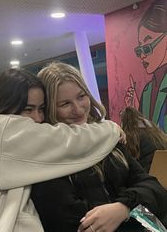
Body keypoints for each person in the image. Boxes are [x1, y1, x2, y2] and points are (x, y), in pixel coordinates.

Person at [0, 68, 124, 232]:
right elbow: (71, 142)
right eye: (28, 109)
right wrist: (111, 128)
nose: (38, 117)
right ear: (4, 105)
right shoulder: (2, 128)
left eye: (41, 109)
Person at [31, 62, 167, 232]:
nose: (78, 109)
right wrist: (132, 207)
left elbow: (155, 189)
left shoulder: (108, 139)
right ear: (50, 108)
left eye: (81, 96)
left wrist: (122, 208)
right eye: (65, 104)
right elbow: (75, 223)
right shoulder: (46, 157)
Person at [125, 0, 167, 132]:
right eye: (139, 50)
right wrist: (134, 111)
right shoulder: (147, 90)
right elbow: (149, 134)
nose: (142, 55)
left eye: (147, 47)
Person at [120, 106, 167, 172]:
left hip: (148, 175)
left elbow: (130, 163)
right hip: (163, 173)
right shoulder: (156, 132)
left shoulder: (131, 137)